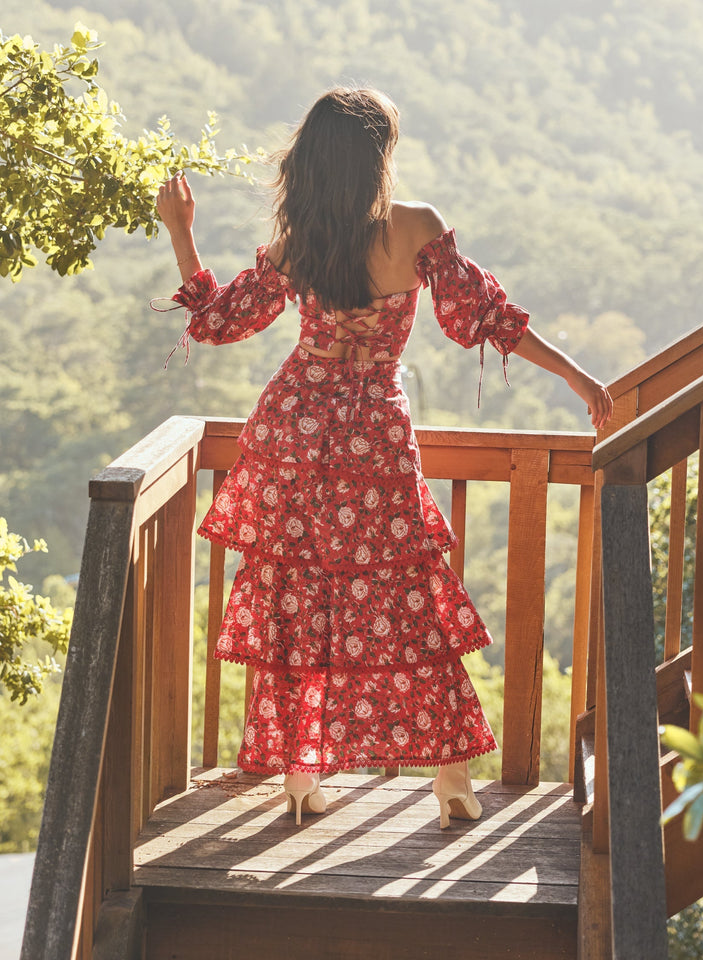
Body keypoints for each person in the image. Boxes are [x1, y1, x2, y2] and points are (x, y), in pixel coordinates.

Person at [156, 87, 612, 829]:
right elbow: (485, 316)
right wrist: (574, 375)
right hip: (372, 437)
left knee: (298, 596)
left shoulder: (302, 237)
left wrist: (182, 231)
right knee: (406, 596)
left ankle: (302, 773)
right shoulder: (414, 230)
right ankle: (452, 779)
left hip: (294, 431)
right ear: (377, 158)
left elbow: (219, 321)